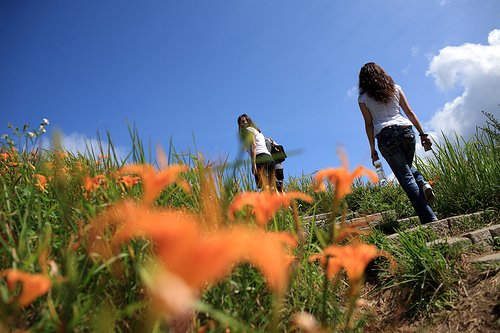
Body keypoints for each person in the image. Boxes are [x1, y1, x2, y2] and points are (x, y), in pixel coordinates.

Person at [357, 62, 437, 224]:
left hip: (386, 135)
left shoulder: (363, 98)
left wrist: (372, 149)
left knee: (406, 178)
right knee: (406, 167)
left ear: (363, 80)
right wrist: (423, 134)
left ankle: (429, 218)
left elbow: (369, 124)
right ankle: (423, 183)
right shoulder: (396, 88)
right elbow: (410, 112)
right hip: (406, 130)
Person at [237, 114, 275, 190]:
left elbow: (254, 146)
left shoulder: (249, 130)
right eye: (239, 123)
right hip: (269, 158)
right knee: (272, 187)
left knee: (264, 187)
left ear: (248, 121)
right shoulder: (259, 132)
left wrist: (253, 163)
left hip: (260, 158)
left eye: (243, 121)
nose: (241, 124)